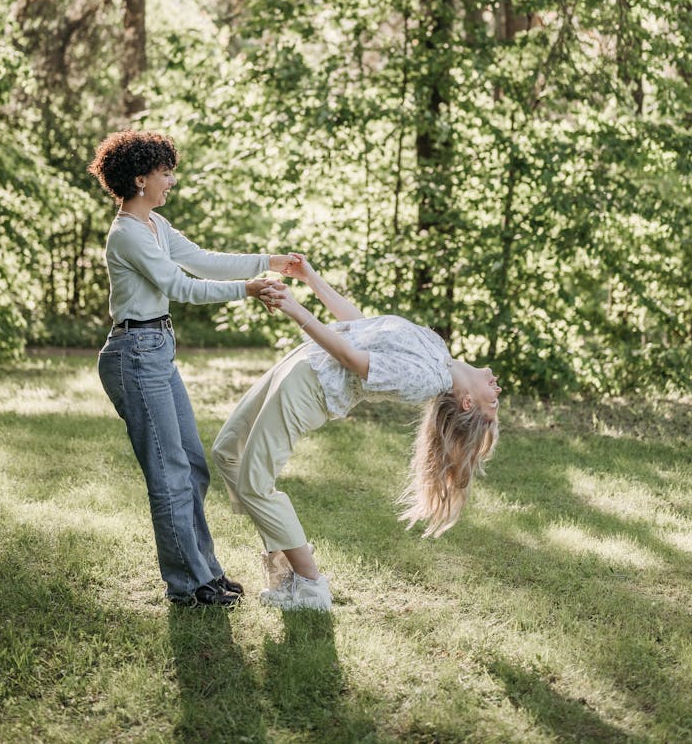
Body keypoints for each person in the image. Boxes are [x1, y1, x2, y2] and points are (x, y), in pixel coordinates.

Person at [212, 254, 501, 612]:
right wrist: (310, 278)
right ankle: (287, 572)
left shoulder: (427, 380)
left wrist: (295, 309)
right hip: (303, 362)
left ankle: (310, 586)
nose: (498, 392)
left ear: (469, 403)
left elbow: (354, 360)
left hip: (310, 386)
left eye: (493, 404)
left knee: (254, 484)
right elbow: (362, 326)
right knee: (227, 452)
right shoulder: (437, 352)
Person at [88, 129, 294, 609]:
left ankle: (206, 573)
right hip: (135, 354)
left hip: (156, 348)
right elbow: (180, 286)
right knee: (169, 475)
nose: (171, 182)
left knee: (192, 467)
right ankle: (188, 586)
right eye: (165, 173)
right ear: (140, 179)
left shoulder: (156, 226)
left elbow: (203, 262)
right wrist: (248, 289)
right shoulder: (126, 235)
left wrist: (270, 262)